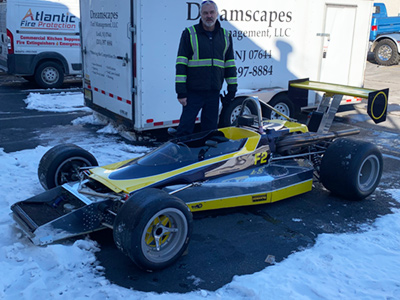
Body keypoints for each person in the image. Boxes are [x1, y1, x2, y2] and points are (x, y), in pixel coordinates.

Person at [175, 0, 237, 137]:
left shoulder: (226, 36)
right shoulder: (189, 33)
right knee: (185, 128)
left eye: (211, 12)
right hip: (193, 92)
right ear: (201, 15)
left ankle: (206, 156)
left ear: (217, 14)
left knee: (210, 130)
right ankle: (181, 154)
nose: (209, 16)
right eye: (205, 13)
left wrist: (232, 89)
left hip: (213, 92)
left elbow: (230, 64)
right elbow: (181, 63)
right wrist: (181, 92)